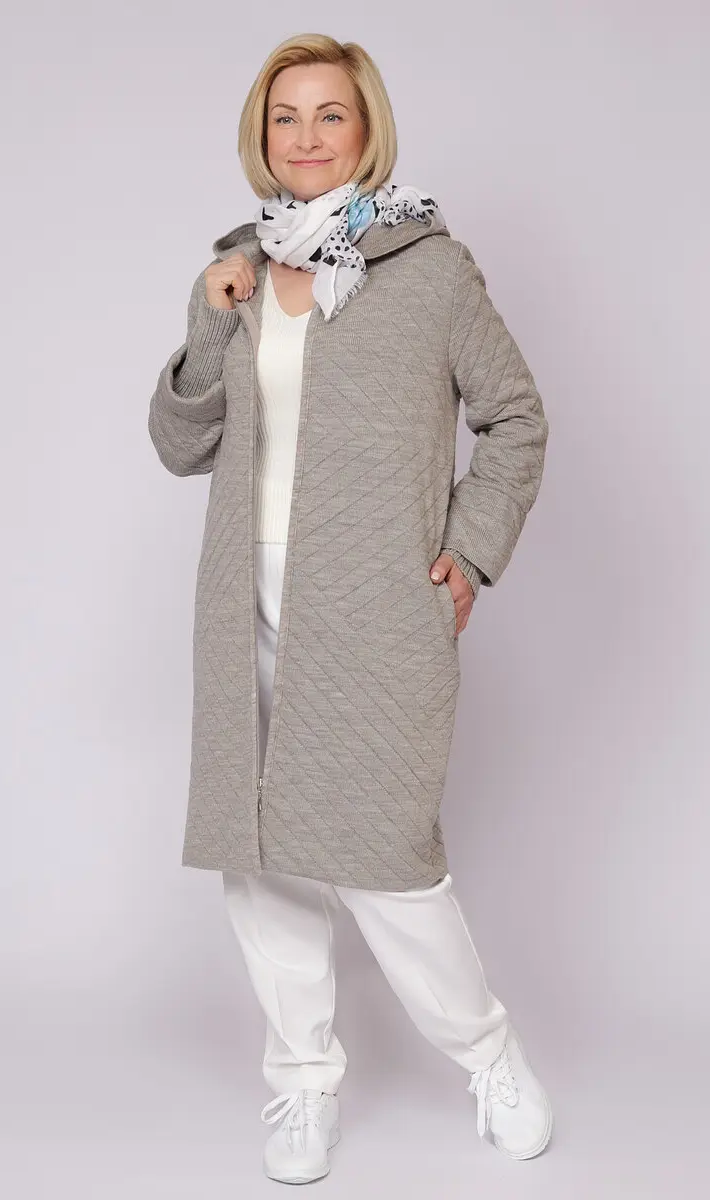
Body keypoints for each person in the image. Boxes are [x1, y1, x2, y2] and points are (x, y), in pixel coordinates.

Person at [148, 33, 552, 1184]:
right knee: (262, 855)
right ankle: (303, 1082)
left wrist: (470, 550)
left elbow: (515, 416)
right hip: (244, 605)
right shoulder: (235, 269)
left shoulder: (430, 268)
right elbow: (179, 443)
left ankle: (489, 1056)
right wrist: (207, 322)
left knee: (389, 861)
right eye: (286, 117)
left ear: (367, 130)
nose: (307, 137)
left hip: (374, 614)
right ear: (260, 136)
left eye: (331, 115)